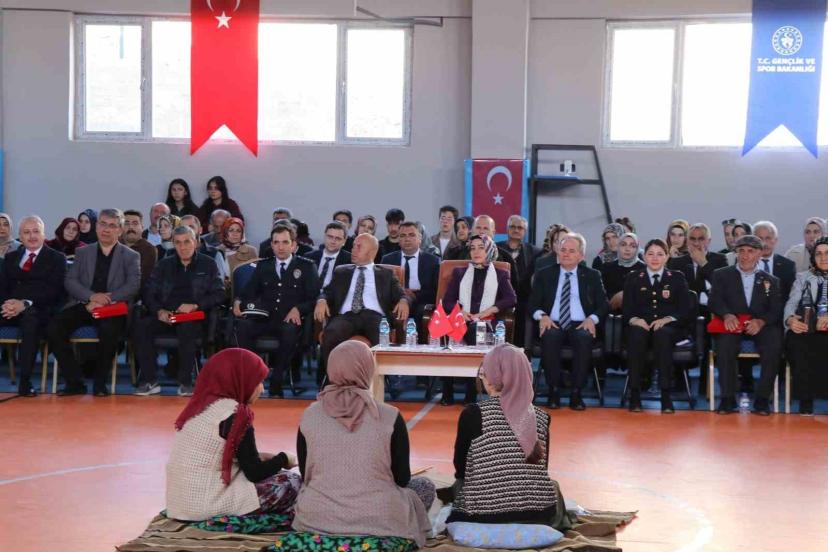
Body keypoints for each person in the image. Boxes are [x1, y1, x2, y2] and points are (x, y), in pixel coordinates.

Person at [292, 341, 433, 547]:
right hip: (380, 517)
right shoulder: (390, 415)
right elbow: (402, 478)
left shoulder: (310, 414)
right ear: (367, 368)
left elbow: (306, 474)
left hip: (315, 518)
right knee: (425, 487)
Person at [165, 348, 301, 521]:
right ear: (242, 380)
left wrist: (262, 457)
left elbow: (220, 455)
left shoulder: (200, 407)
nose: (262, 389)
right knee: (292, 482)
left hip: (178, 505)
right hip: (205, 506)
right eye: (258, 382)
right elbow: (255, 472)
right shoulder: (236, 414)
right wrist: (284, 459)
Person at [448, 344, 562, 527]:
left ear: (491, 379)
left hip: (482, 516)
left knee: (458, 486)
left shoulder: (473, 414)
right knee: (552, 486)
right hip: (538, 516)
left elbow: (460, 469)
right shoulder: (542, 417)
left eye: (483, 373)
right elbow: (541, 469)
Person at [49, 208, 141, 397]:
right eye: (103, 224)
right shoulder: (83, 252)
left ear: (120, 230)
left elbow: (133, 285)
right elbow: (70, 281)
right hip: (86, 304)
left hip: (113, 308)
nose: (106, 229)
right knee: (53, 328)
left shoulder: (131, 256)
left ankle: (100, 383)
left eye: (112, 225)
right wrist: (91, 297)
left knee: (109, 331)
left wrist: (107, 299)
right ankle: (74, 381)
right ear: (97, 227)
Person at [133, 225, 225, 397]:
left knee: (187, 328)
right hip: (167, 315)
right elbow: (149, 292)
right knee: (143, 326)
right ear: (173, 244)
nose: (183, 247)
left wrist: (195, 305)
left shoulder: (208, 264)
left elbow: (219, 294)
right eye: (178, 243)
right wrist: (159, 311)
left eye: (187, 242)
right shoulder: (164, 264)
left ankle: (185, 382)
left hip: (194, 317)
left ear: (196, 242)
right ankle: (150, 380)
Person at [234, 224, 320, 397]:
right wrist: (238, 301)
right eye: (276, 242)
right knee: (243, 326)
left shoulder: (306, 266)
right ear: (271, 245)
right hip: (265, 318)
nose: (280, 247)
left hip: (289, 320)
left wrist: (299, 308)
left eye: (285, 242)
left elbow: (314, 298)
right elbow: (249, 291)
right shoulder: (263, 266)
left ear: (293, 245)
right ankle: (252, 379)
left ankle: (277, 382)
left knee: (289, 331)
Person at [314, 234, 409, 385]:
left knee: (380, 336)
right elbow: (327, 292)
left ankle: (379, 382)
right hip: (347, 316)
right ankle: (331, 380)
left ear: (372, 252)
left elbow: (402, 294)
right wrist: (322, 300)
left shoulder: (386, 274)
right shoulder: (342, 272)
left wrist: (403, 301)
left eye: (359, 247)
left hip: (374, 316)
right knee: (331, 333)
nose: (353, 250)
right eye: (353, 246)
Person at [529, 233, 609, 410]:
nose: (566, 254)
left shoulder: (592, 275)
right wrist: (542, 316)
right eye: (563, 250)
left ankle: (576, 393)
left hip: (580, 323)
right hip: (552, 322)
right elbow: (532, 304)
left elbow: (604, 305)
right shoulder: (544, 274)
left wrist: (592, 319)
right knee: (550, 335)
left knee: (583, 337)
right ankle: (553, 391)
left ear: (581, 256)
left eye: (572, 251)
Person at [709, 235, 782, 415]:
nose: (745, 255)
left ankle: (762, 400)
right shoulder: (721, 275)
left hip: (759, 325)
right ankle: (727, 399)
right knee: (725, 345)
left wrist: (761, 321)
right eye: (741, 251)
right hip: (732, 322)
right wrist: (726, 314)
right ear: (736, 253)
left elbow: (776, 309)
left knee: (774, 345)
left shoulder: (771, 280)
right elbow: (714, 301)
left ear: (760, 254)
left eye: (750, 251)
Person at [441, 234, 516, 405]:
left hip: (486, 320)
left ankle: (471, 392)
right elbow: (447, 301)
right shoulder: (460, 273)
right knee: (449, 330)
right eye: (472, 248)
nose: (476, 252)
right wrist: (461, 311)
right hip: (462, 318)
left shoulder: (500, 274)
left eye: (481, 247)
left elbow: (511, 299)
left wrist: (487, 311)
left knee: (476, 330)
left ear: (490, 250)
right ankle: (447, 390)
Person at [0, 216, 66, 396]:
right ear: (20, 236)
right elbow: (3, 287)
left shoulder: (56, 258)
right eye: (27, 232)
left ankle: (25, 382)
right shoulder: (10, 257)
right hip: (10, 309)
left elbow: (54, 291)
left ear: (44, 234)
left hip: (39, 310)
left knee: (31, 321)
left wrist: (24, 303)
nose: (32, 236)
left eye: (36, 231)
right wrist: (7, 305)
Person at [622, 239, 691, 413]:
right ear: (644, 256)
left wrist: (667, 319)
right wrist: (635, 320)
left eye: (660, 254)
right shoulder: (633, 277)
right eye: (650, 254)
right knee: (636, 334)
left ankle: (666, 395)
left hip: (669, 328)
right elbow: (627, 309)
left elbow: (685, 310)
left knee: (662, 334)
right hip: (641, 326)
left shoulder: (676, 277)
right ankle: (635, 394)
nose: (655, 258)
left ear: (666, 257)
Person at [784, 237, 828, 415]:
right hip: (809, 327)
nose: (823, 258)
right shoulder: (803, 277)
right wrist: (790, 320)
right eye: (818, 254)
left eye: (827, 253)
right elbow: (791, 304)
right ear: (813, 257)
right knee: (796, 340)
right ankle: (805, 398)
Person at [381, 221, 440, 327]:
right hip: (396, 300)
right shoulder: (387, 260)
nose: (407, 239)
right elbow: (383, 289)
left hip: (421, 301)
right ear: (398, 240)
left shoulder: (433, 261)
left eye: (412, 235)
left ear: (420, 238)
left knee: (422, 313)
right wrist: (402, 298)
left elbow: (435, 291)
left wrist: (411, 296)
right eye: (403, 236)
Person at [497, 214, 542, 346]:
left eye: (520, 228)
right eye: (513, 227)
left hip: (524, 299)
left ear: (525, 231)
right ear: (507, 229)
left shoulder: (535, 252)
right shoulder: (496, 248)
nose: (516, 230)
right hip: (500, 297)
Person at [667, 223, 727, 314]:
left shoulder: (720, 259)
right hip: (684, 313)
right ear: (687, 241)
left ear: (709, 241)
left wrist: (703, 263)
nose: (696, 243)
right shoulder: (676, 263)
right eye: (692, 239)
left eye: (701, 239)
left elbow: (723, 287)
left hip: (712, 312)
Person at [600, 232, 645, 313]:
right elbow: (601, 295)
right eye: (623, 245)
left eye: (632, 246)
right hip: (612, 314)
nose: (627, 249)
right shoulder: (607, 268)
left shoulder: (645, 269)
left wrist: (626, 294)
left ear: (637, 249)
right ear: (618, 247)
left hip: (639, 314)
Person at [753, 221, 796, 300]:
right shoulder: (747, 263)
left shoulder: (788, 266)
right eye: (760, 239)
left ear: (775, 240)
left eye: (768, 238)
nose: (764, 243)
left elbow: (790, 297)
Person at [306, 221, 352, 290]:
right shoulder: (309, 257)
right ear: (324, 236)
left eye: (338, 238)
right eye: (330, 237)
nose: (333, 241)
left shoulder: (350, 262)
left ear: (344, 241)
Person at [121, 210, 158, 293]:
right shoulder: (113, 245)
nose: (130, 227)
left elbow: (141, 280)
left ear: (142, 227)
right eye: (126, 223)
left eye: (135, 223)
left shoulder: (149, 250)